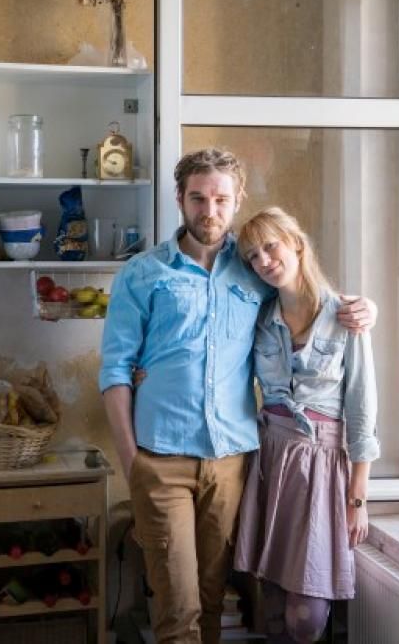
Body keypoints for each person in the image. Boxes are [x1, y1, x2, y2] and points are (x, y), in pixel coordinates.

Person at [99, 148, 375, 644]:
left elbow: (305, 298)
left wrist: (362, 308)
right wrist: (131, 461)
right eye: (198, 198)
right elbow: (116, 370)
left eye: (221, 199)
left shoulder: (255, 270)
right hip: (160, 460)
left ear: (238, 198)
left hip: (233, 462)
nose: (210, 211)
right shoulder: (142, 274)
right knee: (177, 608)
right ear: (180, 198)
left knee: (212, 602)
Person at [231, 207, 379, 643]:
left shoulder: (346, 316)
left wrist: (358, 497)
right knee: (274, 603)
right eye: (253, 256)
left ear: (296, 243)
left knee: (307, 617)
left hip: (321, 465)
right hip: (271, 458)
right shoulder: (260, 319)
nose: (263, 261)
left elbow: (362, 408)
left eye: (270, 246)